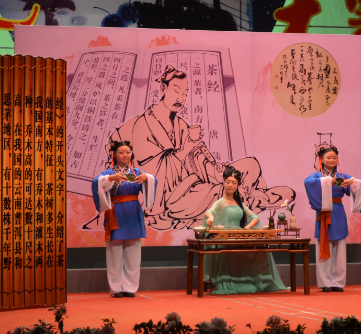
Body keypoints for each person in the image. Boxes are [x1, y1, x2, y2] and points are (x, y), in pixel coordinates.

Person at [108, 64, 295, 230]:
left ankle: (245, 195)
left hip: (196, 181)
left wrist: (218, 168)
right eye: (176, 91)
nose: (181, 98)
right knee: (219, 193)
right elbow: (153, 172)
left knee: (250, 164)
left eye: (184, 93)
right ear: (163, 89)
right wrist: (189, 146)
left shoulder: (181, 125)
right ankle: (249, 197)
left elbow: (198, 161)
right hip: (175, 196)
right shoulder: (144, 125)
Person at [202, 166, 287, 295]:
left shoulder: (239, 204)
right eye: (228, 182)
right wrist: (211, 217)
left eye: (234, 183)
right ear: (223, 183)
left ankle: (256, 280)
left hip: (238, 235)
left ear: (238, 185)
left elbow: (255, 218)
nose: (230, 185)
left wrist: (246, 229)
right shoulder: (220, 203)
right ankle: (230, 280)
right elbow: (209, 212)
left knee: (261, 248)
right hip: (226, 236)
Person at [92, 140, 157, 298]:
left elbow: (152, 180)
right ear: (114, 154)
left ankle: (130, 288)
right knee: (114, 252)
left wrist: (147, 178)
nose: (125, 155)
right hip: (116, 213)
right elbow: (96, 183)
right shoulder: (108, 173)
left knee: (133, 251)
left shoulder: (135, 172)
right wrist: (111, 178)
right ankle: (115, 288)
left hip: (133, 213)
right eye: (121, 152)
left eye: (128, 152)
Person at [304, 145, 361, 292]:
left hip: (338, 212)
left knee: (339, 248)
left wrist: (353, 182)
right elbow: (308, 183)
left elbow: (360, 184)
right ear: (321, 159)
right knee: (324, 246)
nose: (331, 160)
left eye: (334, 157)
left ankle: (337, 282)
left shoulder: (342, 176)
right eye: (328, 157)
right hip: (324, 213)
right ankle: (325, 282)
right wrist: (327, 182)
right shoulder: (316, 176)